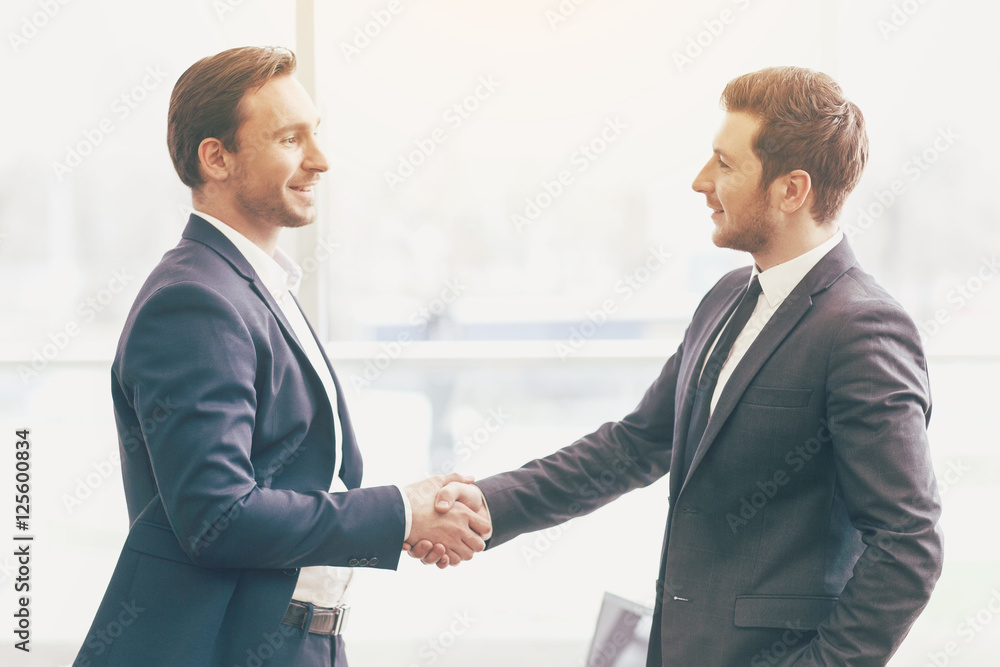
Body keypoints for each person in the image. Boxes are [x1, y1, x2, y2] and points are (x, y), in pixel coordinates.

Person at [409, 66, 944, 666]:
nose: (700, 181)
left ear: (792, 189)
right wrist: (491, 503)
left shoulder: (863, 329)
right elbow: (634, 446)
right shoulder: (726, 297)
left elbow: (908, 544)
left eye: (725, 164)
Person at [73, 46, 490, 667]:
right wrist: (402, 513)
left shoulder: (254, 286)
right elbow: (218, 516)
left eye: (314, 134)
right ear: (216, 158)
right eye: (291, 140)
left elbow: (291, 482)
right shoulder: (194, 302)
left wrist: (415, 511)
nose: (320, 161)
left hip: (296, 640)